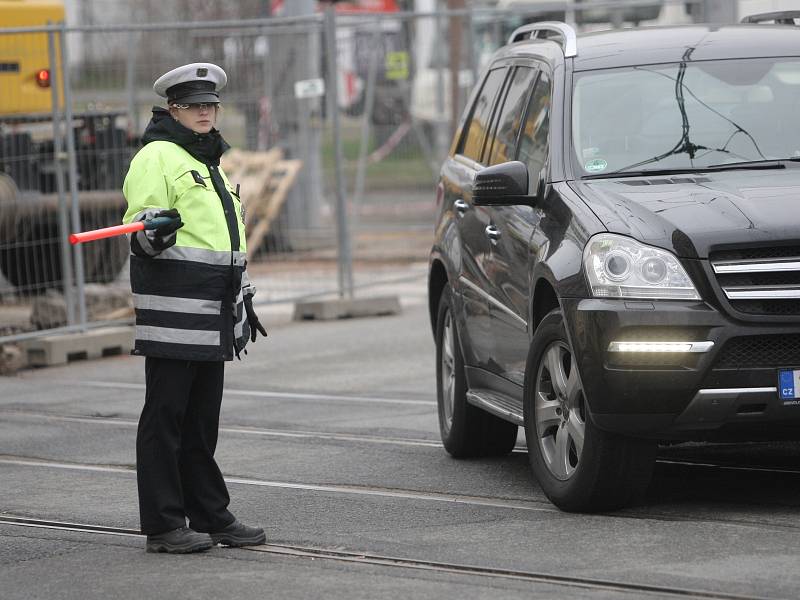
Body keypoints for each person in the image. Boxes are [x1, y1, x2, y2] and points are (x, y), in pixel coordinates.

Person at [122, 62, 268, 554]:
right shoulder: (157, 156)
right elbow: (139, 227)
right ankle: (163, 524)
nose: (204, 113)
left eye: (210, 105)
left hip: (212, 308)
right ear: (173, 110)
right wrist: (152, 230)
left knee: (201, 420)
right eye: (193, 106)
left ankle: (210, 514)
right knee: (166, 417)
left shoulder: (207, 159)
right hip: (174, 308)